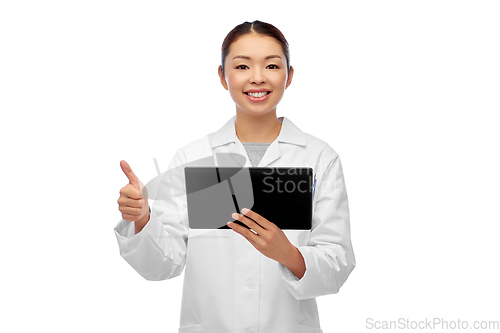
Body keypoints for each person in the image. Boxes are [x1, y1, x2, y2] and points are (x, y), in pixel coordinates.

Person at [115, 20, 356, 333]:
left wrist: (289, 254)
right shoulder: (193, 158)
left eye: (271, 65)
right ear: (222, 76)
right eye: (242, 66)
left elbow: (338, 260)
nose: (257, 77)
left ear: (289, 75)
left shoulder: (319, 157)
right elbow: (163, 265)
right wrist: (144, 218)